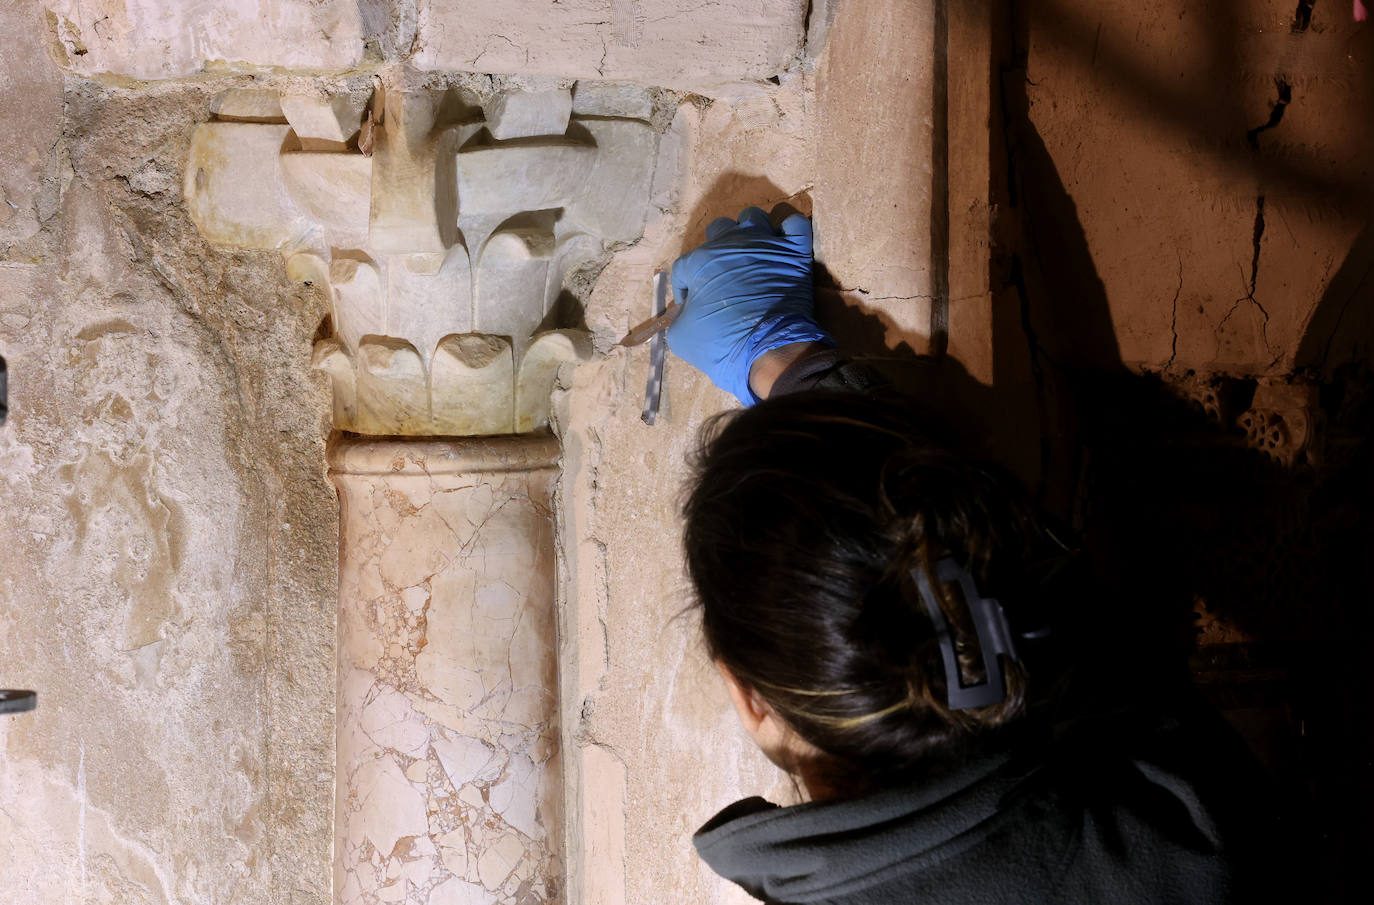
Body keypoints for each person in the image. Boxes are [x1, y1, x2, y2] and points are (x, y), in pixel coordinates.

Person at [663, 207, 1278, 904]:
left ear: (748, 699)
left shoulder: (1196, 833)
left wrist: (800, 374)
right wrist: (798, 369)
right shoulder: (1189, 835)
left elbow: (1051, 608)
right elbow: (1093, 643)